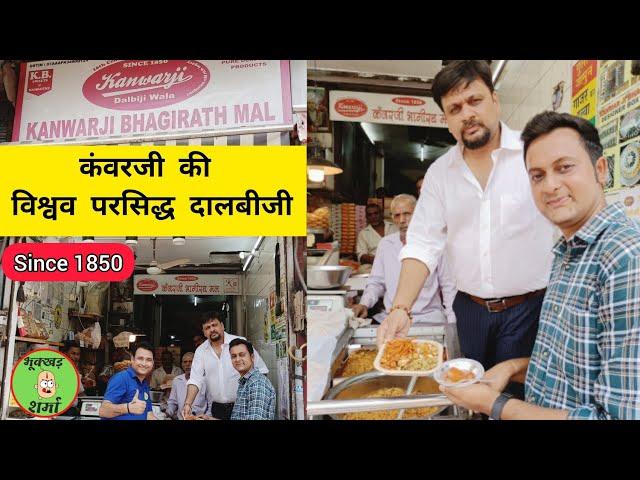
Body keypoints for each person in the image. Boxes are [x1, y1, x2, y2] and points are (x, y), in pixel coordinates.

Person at [441, 111, 640, 419]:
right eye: (537, 175)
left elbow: (618, 416)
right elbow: (567, 368)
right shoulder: (566, 252)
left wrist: (492, 405)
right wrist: (511, 367)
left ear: (601, 170)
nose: (550, 186)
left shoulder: (626, 259)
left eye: (564, 168)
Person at [377, 61, 556, 399]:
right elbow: (422, 245)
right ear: (446, 120)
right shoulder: (440, 174)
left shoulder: (534, 155)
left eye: (475, 101)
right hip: (470, 309)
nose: (467, 114)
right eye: (455, 108)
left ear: (495, 100)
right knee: (469, 395)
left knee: (524, 398)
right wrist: (400, 308)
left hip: (530, 309)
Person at [351, 194, 457, 324]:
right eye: (397, 215)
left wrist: (452, 322)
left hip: (428, 317)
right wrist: (364, 304)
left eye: (407, 214)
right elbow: (376, 282)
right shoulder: (386, 244)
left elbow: (448, 285)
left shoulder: (435, 243)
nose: (402, 220)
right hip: (392, 317)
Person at [183, 312, 268, 420]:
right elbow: (195, 380)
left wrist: (255, 398)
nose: (212, 329)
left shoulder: (240, 343)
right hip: (217, 408)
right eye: (207, 327)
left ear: (222, 326)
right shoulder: (200, 351)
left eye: (215, 325)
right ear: (204, 332)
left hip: (243, 404)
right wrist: (188, 404)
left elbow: (262, 371)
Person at [99, 342, 157, 420]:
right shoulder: (121, 378)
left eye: (148, 360)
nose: (144, 363)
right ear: (132, 359)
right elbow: (103, 411)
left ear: (153, 363)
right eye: (140, 358)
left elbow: (149, 414)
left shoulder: (144, 383)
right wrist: (128, 408)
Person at [229, 338, 276, 420]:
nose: (237, 359)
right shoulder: (246, 382)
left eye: (242, 355)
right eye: (233, 356)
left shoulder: (257, 383)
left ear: (252, 357)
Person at [166, 352, 208, 420]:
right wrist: (167, 413)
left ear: (196, 364)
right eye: (185, 362)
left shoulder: (204, 381)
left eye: (191, 362)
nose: (187, 364)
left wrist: (207, 417)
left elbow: (210, 405)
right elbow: (172, 402)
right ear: (182, 364)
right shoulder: (177, 380)